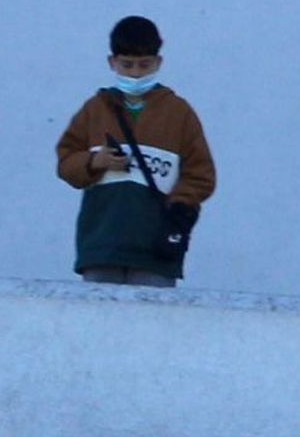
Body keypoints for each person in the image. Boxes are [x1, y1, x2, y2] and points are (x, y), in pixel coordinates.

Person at [55, 15, 216, 287]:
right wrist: (94, 161)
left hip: (155, 248)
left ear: (158, 62)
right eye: (127, 65)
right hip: (101, 243)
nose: (136, 73)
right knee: (97, 312)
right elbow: (66, 162)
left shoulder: (179, 113)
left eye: (144, 64)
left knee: (153, 312)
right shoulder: (95, 109)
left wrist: (180, 204)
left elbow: (201, 173)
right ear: (112, 62)